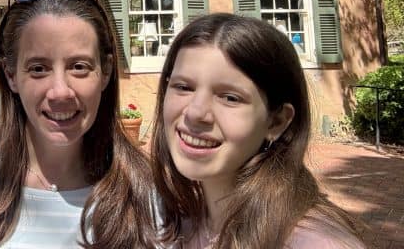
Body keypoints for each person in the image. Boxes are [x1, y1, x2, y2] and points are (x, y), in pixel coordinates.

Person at [0, 0, 159, 248]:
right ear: (11, 76)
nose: (60, 92)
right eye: (38, 68)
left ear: (106, 71)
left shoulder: (150, 197)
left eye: (78, 66)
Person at [150, 13, 365, 249]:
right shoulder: (180, 225)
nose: (195, 113)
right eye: (183, 87)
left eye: (230, 98)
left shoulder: (315, 243)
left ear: (277, 122)